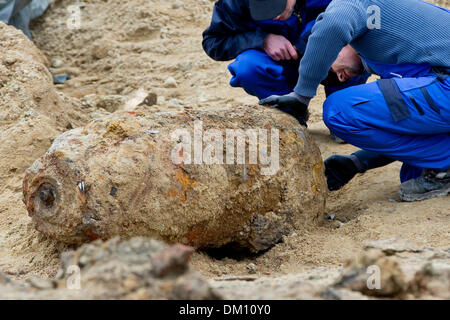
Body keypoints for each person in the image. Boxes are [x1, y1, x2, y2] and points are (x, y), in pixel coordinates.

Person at [260, 0, 450, 202]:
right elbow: (406, 129)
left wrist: (301, 95)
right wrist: (357, 162)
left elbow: (333, 24)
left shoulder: (354, 4)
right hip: (442, 87)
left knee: (339, 111)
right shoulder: (389, 51)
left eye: (332, 70)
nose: (341, 78)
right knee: (414, 173)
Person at [202, 0, 370, 127]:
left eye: (277, 5)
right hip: (281, 64)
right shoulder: (235, 2)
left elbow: (368, 15)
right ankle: (291, 116)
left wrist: (310, 44)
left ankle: (344, 112)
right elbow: (214, 42)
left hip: (333, 57)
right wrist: (262, 40)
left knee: (359, 45)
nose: (274, 16)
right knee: (247, 67)